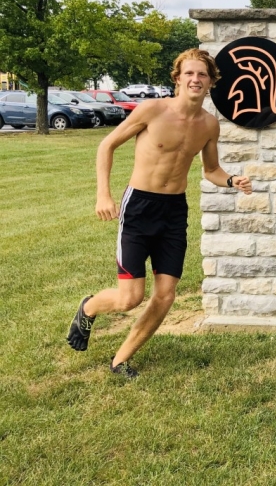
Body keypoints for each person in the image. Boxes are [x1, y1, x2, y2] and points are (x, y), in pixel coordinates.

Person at [66, 49, 252, 377]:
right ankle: (89, 306)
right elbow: (106, 145)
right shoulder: (152, 110)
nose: (196, 80)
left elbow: (211, 170)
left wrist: (232, 180)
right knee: (130, 298)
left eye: (202, 75)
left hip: (173, 212)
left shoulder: (209, 125)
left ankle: (120, 360)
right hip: (139, 206)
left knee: (165, 296)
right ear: (178, 78)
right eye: (189, 74)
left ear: (211, 81)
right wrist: (103, 195)